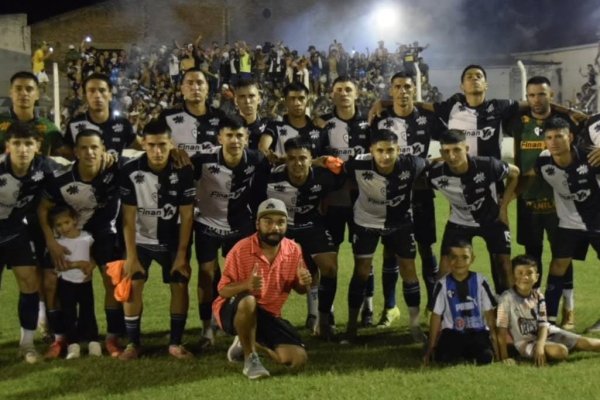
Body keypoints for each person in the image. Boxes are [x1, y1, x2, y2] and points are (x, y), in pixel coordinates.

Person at [38, 129, 122, 358]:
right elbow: (43, 208)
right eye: (83, 148)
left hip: (103, 233)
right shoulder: (61, 178)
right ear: (75, 152)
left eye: (95, 147)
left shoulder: (115, 170)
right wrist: (51, 242)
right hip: (68, 235)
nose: (89, 152)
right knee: (50, 281)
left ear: (103, 149)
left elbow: (144, 153)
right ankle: (59, 339)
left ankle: (112, 337)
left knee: (111, 279)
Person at [118, 118, 195, 360]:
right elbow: (128, 218)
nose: (157, 151)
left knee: (180, 283)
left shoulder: (183, 170)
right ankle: (133, 343)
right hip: (141, 240)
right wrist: (130, 256)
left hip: (172, 241)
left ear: (171, 143)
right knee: (133, 284)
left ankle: (175, 343)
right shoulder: (130, 170)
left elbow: (187, 215)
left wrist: (182, 255)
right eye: (151, 145)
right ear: (143, 144)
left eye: (162, 144)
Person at [190, 114, 270, 347]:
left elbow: (262, 192)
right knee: (206, 275)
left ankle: (242, 325)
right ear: (220, 137)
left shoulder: (256, 159)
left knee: (244, 277)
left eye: (239, 135)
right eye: (229, 135)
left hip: (239, 224)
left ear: (246, 138)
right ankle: (207, 329)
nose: (234, 140)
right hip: (207, 223)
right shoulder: (202, 161)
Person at [370, 72, 443, 325]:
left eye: (407, 87)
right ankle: (391, 307)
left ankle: (434, 307)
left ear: (415, 90)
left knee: (426, 248)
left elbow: (450, 142)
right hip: (390, 196)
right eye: (397, 87)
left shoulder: (427, 118)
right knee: (390, 251)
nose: (402, 91)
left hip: (421, 193)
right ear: (391, 90)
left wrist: (433, 165)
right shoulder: (380, 119)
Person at [343, 129, 427, 342]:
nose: (385, 156)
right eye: (380, 150)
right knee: (361, 271)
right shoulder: (358, 164)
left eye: (390, 150)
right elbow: (334, 169)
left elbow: (432, 164)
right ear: (371, 150)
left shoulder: (412, 164)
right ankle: (351, 327)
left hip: (400, 224)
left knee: (409, 269)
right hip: (366, 222)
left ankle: (415, 326)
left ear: (398, 150)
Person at [213, 198, 312, 379]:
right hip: (233, 309)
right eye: (268, 222)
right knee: (248, 301)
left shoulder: (293, 250)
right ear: (257, 224)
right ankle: (251, 359)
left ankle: (250, 343)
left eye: (280, 222)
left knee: (298, 358)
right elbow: (222, 291)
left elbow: (300, 289)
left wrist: (304, 282)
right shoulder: (241, 249)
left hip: (269, 314)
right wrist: (246, 285)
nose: (275, 227)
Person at [510, 76, 578, 329]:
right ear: (526, 98)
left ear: (552, 95)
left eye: (542, 94)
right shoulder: (518, 122)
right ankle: (534, 309)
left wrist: (568, 110)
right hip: (528, 201)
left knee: (563, 256)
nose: (537, 100)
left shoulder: (564, 123)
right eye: (531, 95)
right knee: (532, 257)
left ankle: (568, 309)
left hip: (560, 204)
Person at [266, 137, 345, 338]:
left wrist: (329, 162)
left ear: (311, 159)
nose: (297, 163)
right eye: (292, 158)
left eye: (303, 158)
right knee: (270, 272)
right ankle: (268, 321)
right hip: (281, 229)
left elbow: (346, 173)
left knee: (329, 267)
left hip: (311, 226)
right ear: (286, 160)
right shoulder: (270, 177)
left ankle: (324, 321)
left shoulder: (323, 177)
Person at [527, 118, 600, 331]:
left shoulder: (591, 157)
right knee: (558, 265)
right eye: (549, 137)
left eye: (559, 136)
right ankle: (548, 318)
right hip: (568, 224)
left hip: (597, 223)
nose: (554, 141)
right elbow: (529, 177)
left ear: (570, 137)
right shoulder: (543, 162)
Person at [426, 129, 519, 294]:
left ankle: (507, 311)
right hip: (459, 222)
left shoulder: (488, 165)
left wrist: (504, 205)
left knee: (504, 266)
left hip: (492, 220)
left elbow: (515, 173)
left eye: (457, 150)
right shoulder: (434, 173)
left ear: (466, 149)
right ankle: (441, 313)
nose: (452, 156)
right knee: (444, 270)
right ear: (441, 153)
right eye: (446, 152)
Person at [318, 76, 373, 326]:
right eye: (338, 89)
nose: (343, 93)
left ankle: (368, 308)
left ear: (357, 93)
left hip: (364, 202)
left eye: (348, 89)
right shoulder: (324, 125)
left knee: (364, 258)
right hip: (333, 203)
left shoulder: (370, 123)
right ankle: (326, 314)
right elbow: (319, 163)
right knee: (330, 262)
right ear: (332, 94)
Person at [0, 121, 56, 363]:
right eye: (17, 144)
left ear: (37, 147)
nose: (23, 149)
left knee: (30, 282)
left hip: (16, 233)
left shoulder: (45, 168)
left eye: (28, 144)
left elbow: (76, 169)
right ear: (7, 146)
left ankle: (27, 344)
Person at [497, 255, 600, 366]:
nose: (525, 277)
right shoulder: (506, 298)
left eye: (529, 273)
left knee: (589, 343)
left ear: (536, 277)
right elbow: (501, 329)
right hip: (526, 342)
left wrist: (540, 345)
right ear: (512, 276)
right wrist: (504, 357)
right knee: (561, 352)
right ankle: (563, 347)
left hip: (549, 333)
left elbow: (543, 324)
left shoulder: (538, 296)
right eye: (520, 273)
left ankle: (566, 345)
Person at [423, 241, 498, 366]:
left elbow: (489, 313)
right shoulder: (442, 284)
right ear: (447, 260)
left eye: (465, 257)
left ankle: (472, 351)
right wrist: (430, 346)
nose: (459, 262)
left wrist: (495, 343)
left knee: (486, 357)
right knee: (444, 358)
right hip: (453, 333)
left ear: (472, 259)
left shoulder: (481, 281)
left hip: (478, 332)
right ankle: (447, 350)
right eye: (454, 257)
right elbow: (436, 316)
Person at [46, 205, 101, 359]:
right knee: (69, 315)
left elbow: (91, 258)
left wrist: (90, 266)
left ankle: (94, 344)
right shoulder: (58, 244)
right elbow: (59, 265)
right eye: (58, 225)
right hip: (66, 283)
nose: (64, 228)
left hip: (85, 282)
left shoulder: (86, 238)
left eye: (66, 222)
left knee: (88, 312)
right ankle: (73, 346)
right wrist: (78, 264)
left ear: (75, 220)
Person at [64, 72, 138, 159]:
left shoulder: (123, 124)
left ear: (110, 95)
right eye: (92, 91)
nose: (97, 95)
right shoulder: (74, 125)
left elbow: (144, 145)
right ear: (85, 96)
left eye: (102, 90)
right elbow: (67, 154)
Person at [158, 67, 226, 156]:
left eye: (199, 83)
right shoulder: (167, 116)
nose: (195, 87)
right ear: (182, 89)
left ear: (207, 87)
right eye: (190, 83)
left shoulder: (220, 116)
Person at [0, 71, 64, 156]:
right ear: (11, 93)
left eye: (29, 89)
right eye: (18, 89)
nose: (24, 93)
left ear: (37, 95)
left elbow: (66, 154)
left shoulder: (48, 128)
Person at [259, 82, 324, 163]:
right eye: (292, 99)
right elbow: (262, 148)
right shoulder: (274, 127)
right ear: (285, 101)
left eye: (301, 98)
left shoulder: (318, 128)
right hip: (281, 175)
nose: (297, 103)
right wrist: (271, 156)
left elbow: (324, 159)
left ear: (307, 101)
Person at [233, 78, 269, 150]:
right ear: (235, 101)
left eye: (251, 96)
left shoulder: (269, 127)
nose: (247, 101)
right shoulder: (227, 128)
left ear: (259, 99)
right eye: (242, 96)